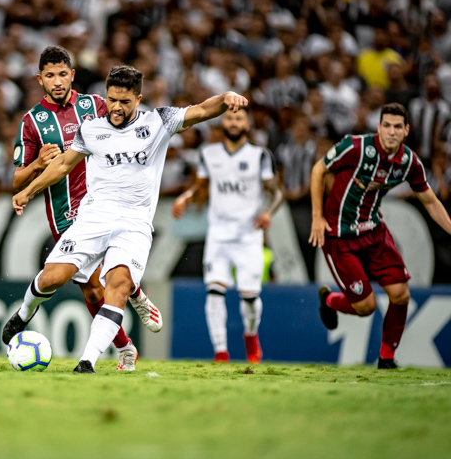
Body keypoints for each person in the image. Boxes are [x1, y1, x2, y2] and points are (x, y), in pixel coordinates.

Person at [5, 65, 247, 373]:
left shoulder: (158, 121)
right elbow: (64, 164)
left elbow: (200, 111)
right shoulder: (92, 128)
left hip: (134, 224)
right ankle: (24, 312)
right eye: (112, 100)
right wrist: (29, 191)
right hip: (93, 218)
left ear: (138, 98)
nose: (116, 108)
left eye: (124, 101)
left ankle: (87, 362)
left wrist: (227, 98)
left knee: (115, 286)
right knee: (53, 277)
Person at [10, 46, 162, 372]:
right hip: (65, 211)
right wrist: (36, 165)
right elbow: (16, 176)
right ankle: (125, 343)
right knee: (92, 290)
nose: (57, 81)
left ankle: (128, 314)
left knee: (109, 279)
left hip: (103, 204)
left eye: (63, 73)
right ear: (40, 80)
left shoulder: (95, 105)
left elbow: (128, 132)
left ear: (73, 75)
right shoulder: (31, 121)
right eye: (50, 75)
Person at [309, 102, 451, 369]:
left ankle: (386, 359)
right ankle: (329, 301)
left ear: (406, 130)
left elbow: (431, 202)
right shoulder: (356, 147)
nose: (391, 132)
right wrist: (317, 217)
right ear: (379, 127)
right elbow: (319, 170)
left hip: (374, 231)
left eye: (398, 127)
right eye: (386, 125)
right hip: (340, 235)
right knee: (366, 307)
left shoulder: (408, 162)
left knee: (400, 295)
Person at [171, 109, 283, 363]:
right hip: (218, 236)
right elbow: (200, 187)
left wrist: (268, 212)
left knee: (251, 298)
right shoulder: (208, 154)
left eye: (239, 119)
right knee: (214, 292)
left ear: (247, 123)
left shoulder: (259, 155)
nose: (233, 123)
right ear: (223, 123)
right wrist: (185, 198)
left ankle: (251, 336)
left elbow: (277, 192)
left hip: (248, 236)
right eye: (230, 119)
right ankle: (220, 351)